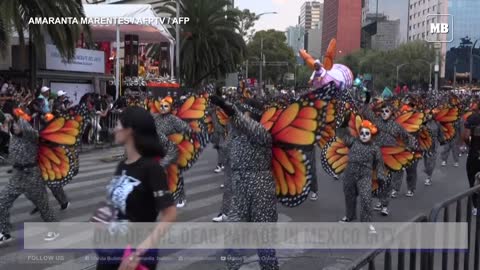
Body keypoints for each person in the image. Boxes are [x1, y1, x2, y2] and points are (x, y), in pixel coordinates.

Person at [94, 107, 177, 270]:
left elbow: (170, 215)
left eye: (117, 124)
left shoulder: (152, 168)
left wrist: (138, 253)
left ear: (130, 130)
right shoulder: (122, 165)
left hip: (134, 257)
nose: (114, 129)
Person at [210, 95, 279, 270]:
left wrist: (228, 107)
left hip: (261, 191)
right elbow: (228, 131)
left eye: (243, 112)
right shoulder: (236, 134)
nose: (240, 114)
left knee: (264, 244)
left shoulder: (261, 132)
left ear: (250, 114)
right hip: (239, 189)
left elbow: (241, 121)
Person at [0, 114, 58, 245]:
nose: (14, 127)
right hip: (18, 176)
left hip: (32, 176)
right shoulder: (13, 137)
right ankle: (4, 232)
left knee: (43, 207)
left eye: (17, 125)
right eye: (13, 125)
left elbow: (32, 132)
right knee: (2, 201)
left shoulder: (32, 136)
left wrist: (18, 120)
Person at [337, 115, 386, 234]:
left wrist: (380, 175)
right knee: (349, 196)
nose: (364, 135)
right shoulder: (353, 141)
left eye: (367, 133)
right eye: (362, 133)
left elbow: (379, 163)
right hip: (349, 173)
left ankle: (367, 223)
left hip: (364, 175)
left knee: (366, 199)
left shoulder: (374, 148)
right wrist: (343, 124)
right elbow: (343, 134)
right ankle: (349, 216)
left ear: (371, 135)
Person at [463, 104, 480, 216]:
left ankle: (475, 206)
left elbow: (465, 136)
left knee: (473, 179)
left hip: (475, 153)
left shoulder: (472, 118)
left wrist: (471, 145)